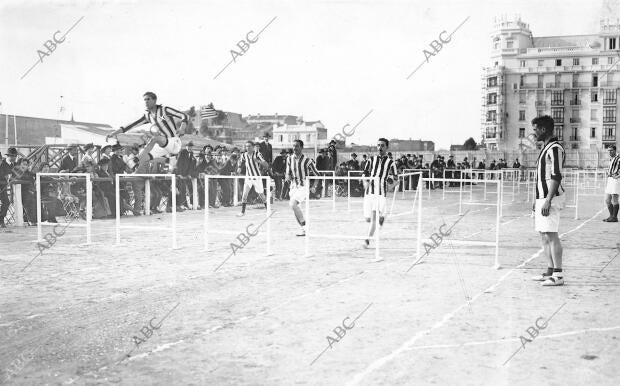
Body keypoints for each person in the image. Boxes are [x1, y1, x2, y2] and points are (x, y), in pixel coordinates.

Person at [106, 91, 191, 170]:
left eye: (148, 99)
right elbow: (130, 125)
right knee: (144, 157)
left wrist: (182, 128)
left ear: (154, 100)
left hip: (174, 142)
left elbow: (185, 116)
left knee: (155, 138)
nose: (146, 101)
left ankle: (136, 159)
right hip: (163, 146)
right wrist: (114, 133)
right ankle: (169, 161)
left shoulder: (164, 109)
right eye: (145, 100)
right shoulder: (147, 115)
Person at [530, 115, 566, 286]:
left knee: (552, 235)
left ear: (543, 129)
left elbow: (556, 176)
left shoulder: (555, 148)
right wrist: (536, 199)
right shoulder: (545, 148)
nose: (534, 133)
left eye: (535, 129)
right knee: (544, 235)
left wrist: (548, 200)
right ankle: (550, 271)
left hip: (550, 198)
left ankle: (558, 275)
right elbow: (541, 177)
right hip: (541, 197)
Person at [362, 138, 398, 261]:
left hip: (380, 194)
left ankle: (367, 240)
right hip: (369, 193)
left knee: (373, 218)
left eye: (382, 145)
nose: (379, 147)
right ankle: (382, 218)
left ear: (386, 147)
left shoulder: (391, 162)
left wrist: (389, 186)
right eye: (378, 145)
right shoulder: (371, 160)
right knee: (368, 219)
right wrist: (365, 182)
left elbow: (396, 179)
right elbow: (364, 174)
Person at [286, 139, 319, 236]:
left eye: (297, 146)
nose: (294, 148)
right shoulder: (289, 159)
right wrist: (287, 176)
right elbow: (288, 172)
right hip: (293, 187)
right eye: (293, 146)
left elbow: (318, 175)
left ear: (301, 147)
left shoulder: (307, 160)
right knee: (295, 209)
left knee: (293, 204)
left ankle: (305, 227)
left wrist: (314, 186)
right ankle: (304, 229)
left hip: (303, 186)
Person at [237, 141, 268, 216]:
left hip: (257, 177)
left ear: (253, 147)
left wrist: (257, 161)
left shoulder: (257, 154)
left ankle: (268, 209)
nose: (247, 148)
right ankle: (242, 212)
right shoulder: (244, 155)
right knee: (244, 195)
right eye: (246, 146)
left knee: (262, 195)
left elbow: (266, 164)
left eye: (249, 146)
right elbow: (240, 162)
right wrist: (239, 167)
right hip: (248, 178)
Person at [0, 147, 18, 227]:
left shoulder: (15, 164)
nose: (14, 157)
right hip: (2, 184)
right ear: (8, 156)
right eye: (13, 156)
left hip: (3, 187)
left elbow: (16, 175)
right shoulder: (2, 163)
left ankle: (1, 220)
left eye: (15, 156)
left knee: (6, 202)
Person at [603, 145, 620, 222]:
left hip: (615, 180)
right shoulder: (611, 159)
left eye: (611, 150)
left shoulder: (619, 158)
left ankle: (614, 217)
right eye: (608, 150)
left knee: (614, 199)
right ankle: (612, 216)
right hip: (610, 180)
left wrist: (618, 175)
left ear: (615, 150)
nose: (609, 152)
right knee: (607, 199)